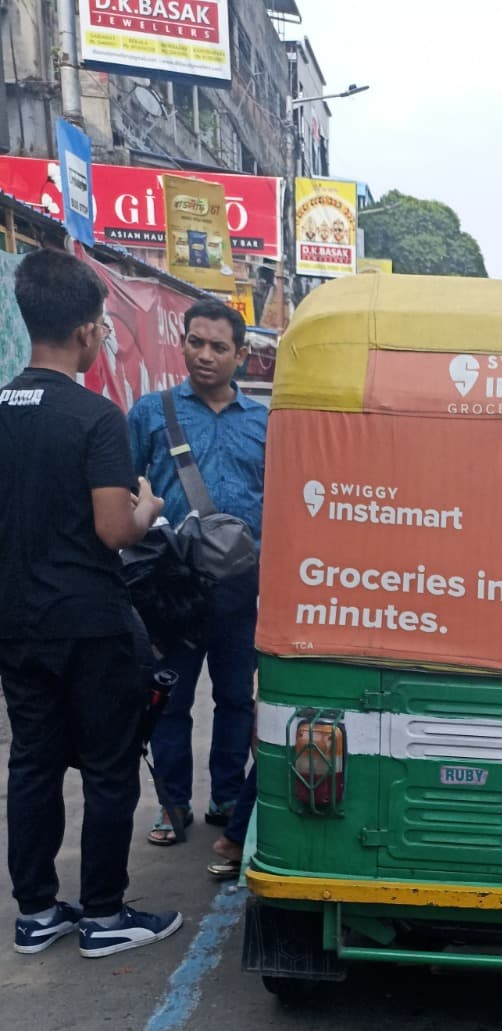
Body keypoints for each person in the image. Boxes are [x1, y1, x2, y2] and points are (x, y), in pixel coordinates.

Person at [0, 248, 182, 957]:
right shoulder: (95, 417)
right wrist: (148, 506)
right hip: (91, 622)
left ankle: (37, 911)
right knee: (108, 765)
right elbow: (114, 529)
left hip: (16, 622)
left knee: (34, 762)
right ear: (85, 330)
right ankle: (105, 913)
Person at [128, 298, 267, 845]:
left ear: (241, 354)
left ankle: (228, 797)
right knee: (170, 697)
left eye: (218, 346)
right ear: (182, 343)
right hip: (171, 588)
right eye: (195, 342)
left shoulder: (264, 422)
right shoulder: (150, 412)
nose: (204, 355)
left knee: (236, 697)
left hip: (239, 587)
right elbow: (121, 487)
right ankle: (172, 803)